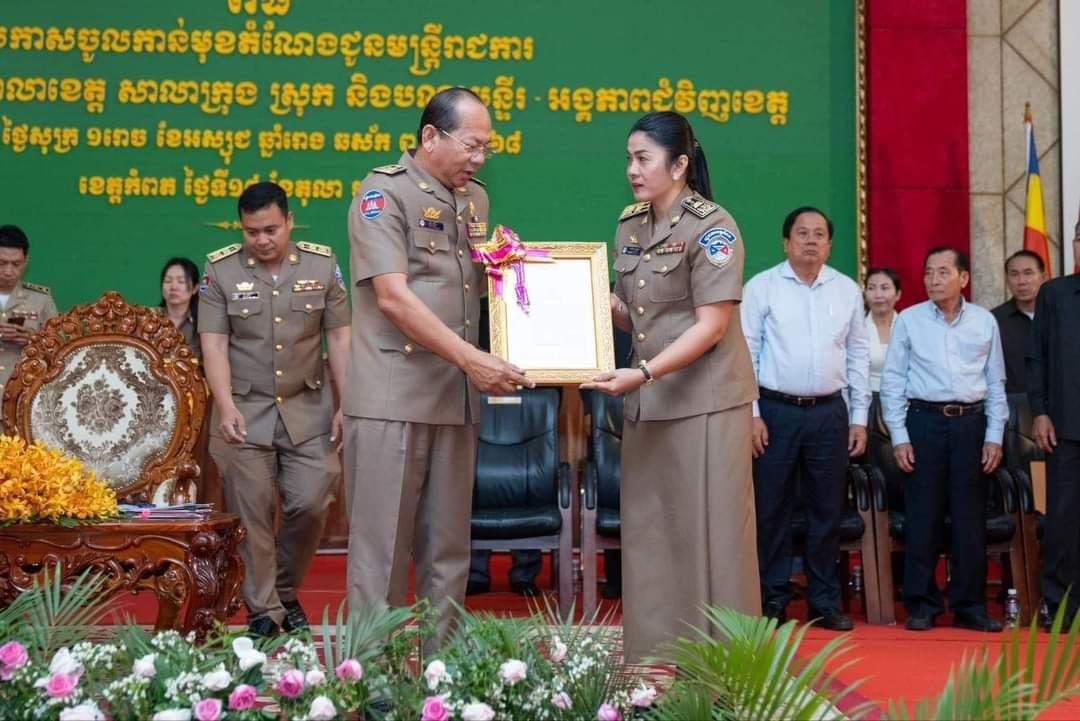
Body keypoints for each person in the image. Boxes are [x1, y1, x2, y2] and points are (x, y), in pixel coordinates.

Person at [343, 87, 533, 650]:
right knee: (381, 552)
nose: (480, 158)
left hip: (454, 397)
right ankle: (369, 679)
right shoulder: (382, 194)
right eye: (472, 145)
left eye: (487, 148)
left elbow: (475, 286)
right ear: (430, 136)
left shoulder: (474, 200)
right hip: (393, 398)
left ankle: (441, 672)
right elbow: (393, 298)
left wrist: (520, 275)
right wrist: (473, 359)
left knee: (449, 552)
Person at [581, 111, 760, 661]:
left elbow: (711, 326)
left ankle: (727, 666)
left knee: (713, 536)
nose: (632, 170)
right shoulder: (631, 225)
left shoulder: (713, 227)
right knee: (651, 535)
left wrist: (642, 373)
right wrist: (583, 296)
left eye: (644, 159)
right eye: (628, 159)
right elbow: (635, 315)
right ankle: (654, 663)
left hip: (706, 403)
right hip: (649, 401)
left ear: (679, 165)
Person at [199, 181, 350, 637]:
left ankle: (282, 591)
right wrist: (225, 404)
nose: (262, 240)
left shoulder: (322, 265)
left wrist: (347, 403)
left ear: (289, 222)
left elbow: (339, 337)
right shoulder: (220, 271)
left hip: (309, 408)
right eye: (252, 232)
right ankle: (264, 611)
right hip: (244, 411)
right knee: (253, 512)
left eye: (270, 230)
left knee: (312, 501)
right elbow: (214, 344)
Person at [741, 207, 870, 631]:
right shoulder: (762, 287)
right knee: (771, 509)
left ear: (829, 245)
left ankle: (824, 601)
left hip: (829, 413)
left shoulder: (846, 290)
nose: (811, 241)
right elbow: (746, 354)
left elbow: (858, 355)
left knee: (826, 510)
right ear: (786, 242)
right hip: (774, 412)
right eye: (802, 233)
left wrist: (859, 417)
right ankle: (772, 599)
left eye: (819, 235)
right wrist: (752, 414)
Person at [880, 247, 1007, 632]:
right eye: (928, 273)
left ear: (963, 278)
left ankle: (970, 606)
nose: (933, 280)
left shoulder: (984, 321)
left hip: (971, 425)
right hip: (924, 422)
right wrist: (899, 437)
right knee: (924, 516)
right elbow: (892, 381)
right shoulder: (910, 320)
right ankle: (921, 604)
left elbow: (996, 382)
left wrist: (994, 436)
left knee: (970, 519)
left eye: (942, 272)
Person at [1027, 222, 1080, 625]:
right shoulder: (1055, 293)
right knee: (1062, 520)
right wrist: (1040, 412)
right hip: (1064, 426)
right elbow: (1037, 358)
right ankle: (1060, 607)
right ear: (1075, 244)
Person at [0, 225, 58, 395]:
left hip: (22, 394)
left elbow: (60, 348)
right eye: (1, 263)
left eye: (16, 264)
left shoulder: (41, 300)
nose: (8, 271)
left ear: (26, 261)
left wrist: (33, 339)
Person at [992, 250, 1046, 393]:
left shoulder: (1058, 315)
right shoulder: (994, 320)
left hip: (1058, 400)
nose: (1021, 281)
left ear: (1043, 277)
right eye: (1014, 274)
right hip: (1012, 402)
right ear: (1007, 279)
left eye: (1028, 273)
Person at [864, 267, 902, 393]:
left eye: (885, 288)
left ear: (898, 294)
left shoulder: (908, 327)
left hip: (903, 396)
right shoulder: (856, 328)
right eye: (871, 288)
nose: (878, 295)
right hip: (865, 396)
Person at [157, 257, 202, 362]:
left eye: (181, 281)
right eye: (168, 281)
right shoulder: (150, 318)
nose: (173, 287)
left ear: (195, 288)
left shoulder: (204, 322)